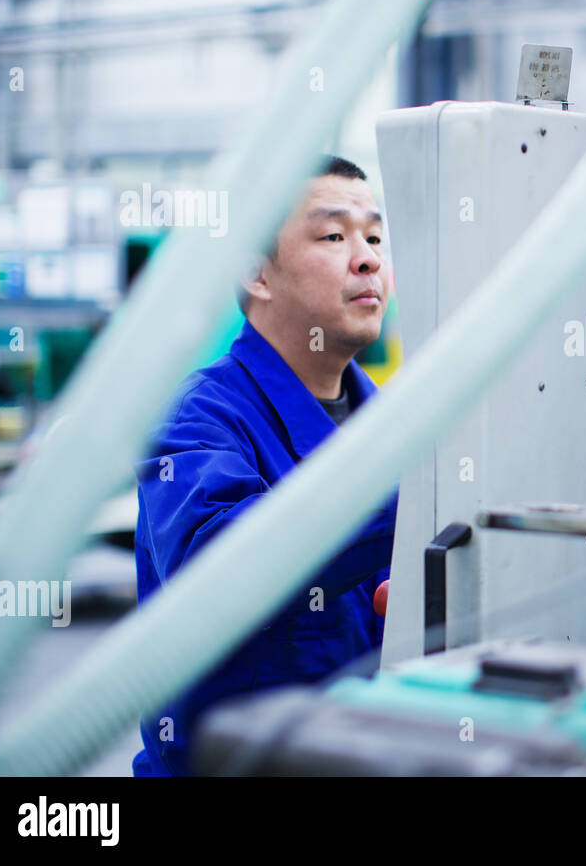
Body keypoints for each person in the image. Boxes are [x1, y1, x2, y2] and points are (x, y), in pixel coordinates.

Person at [132, 155, 396, 775]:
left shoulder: (395, 423)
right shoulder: (198, 419)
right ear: (258, 274)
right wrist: (405, 483)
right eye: (334, 236)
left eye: (375, 237)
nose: (368, 260)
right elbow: (221, 566)